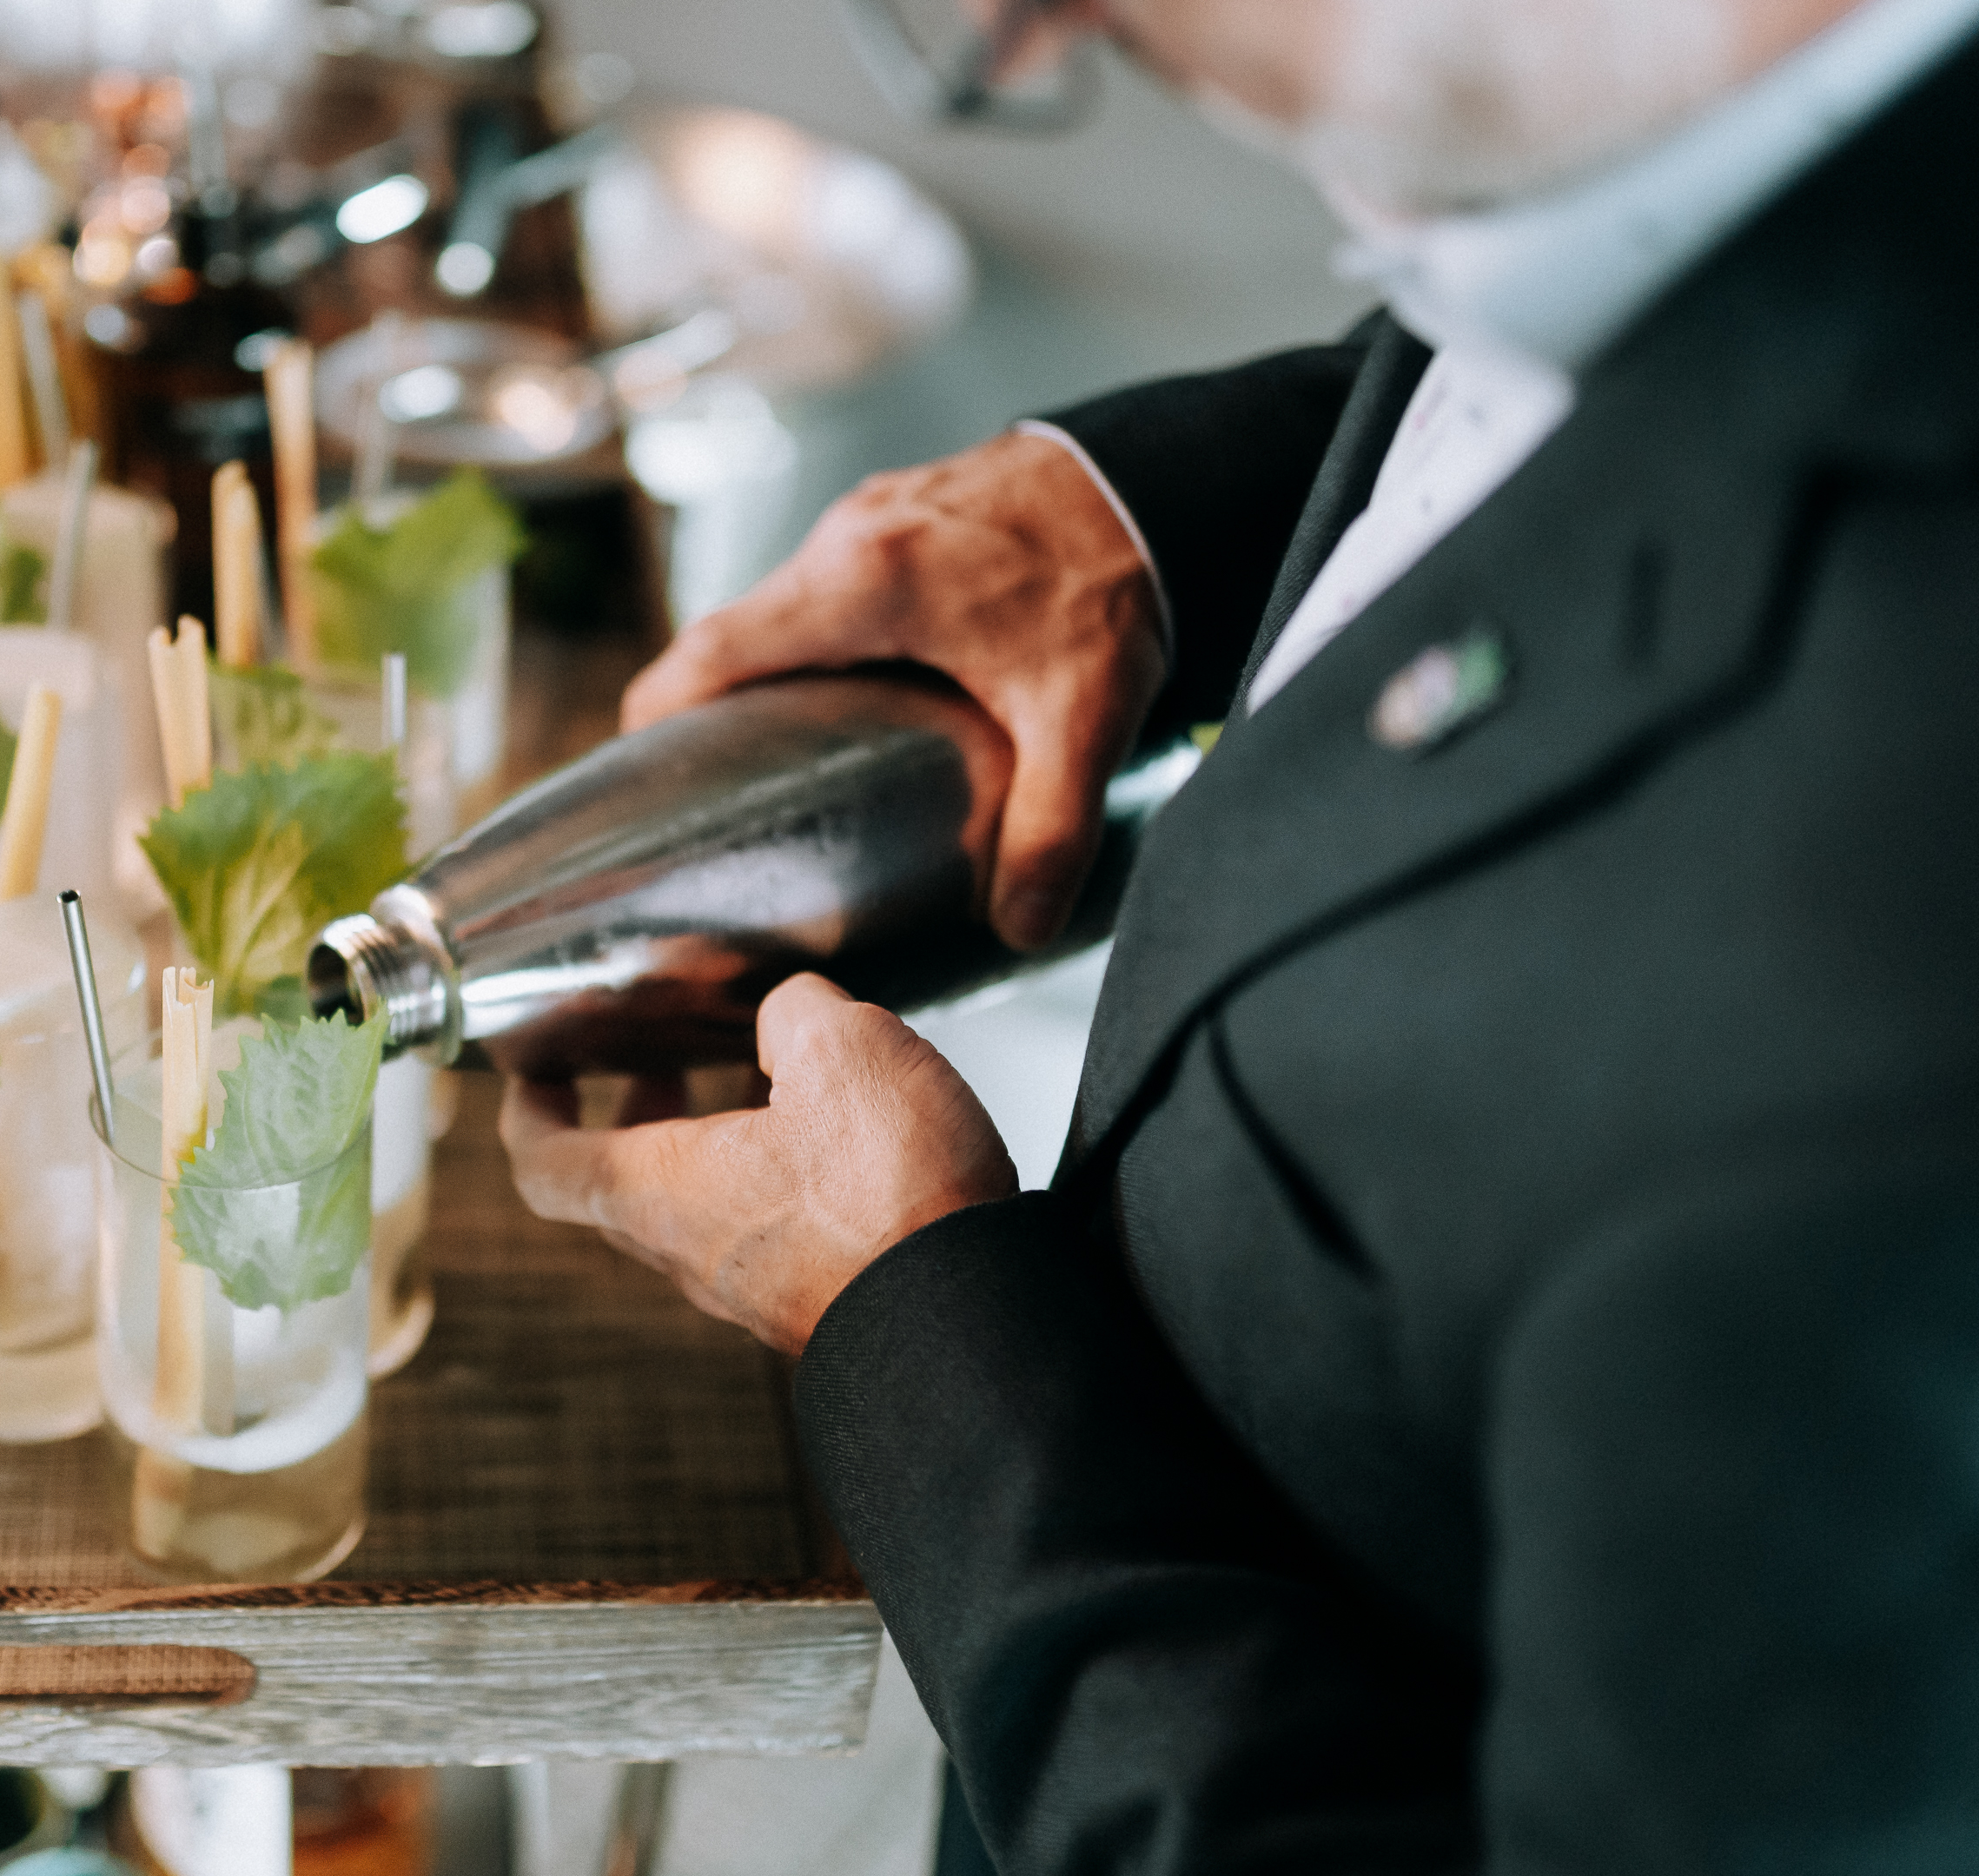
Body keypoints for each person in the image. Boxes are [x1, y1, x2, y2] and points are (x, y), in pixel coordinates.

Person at [500, 0, 1979, 1866]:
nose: (1026, 47)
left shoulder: (1890, 1049)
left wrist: (909, 1316)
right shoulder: (1741, 110)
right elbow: (1608, 348)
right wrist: (1139, 518)